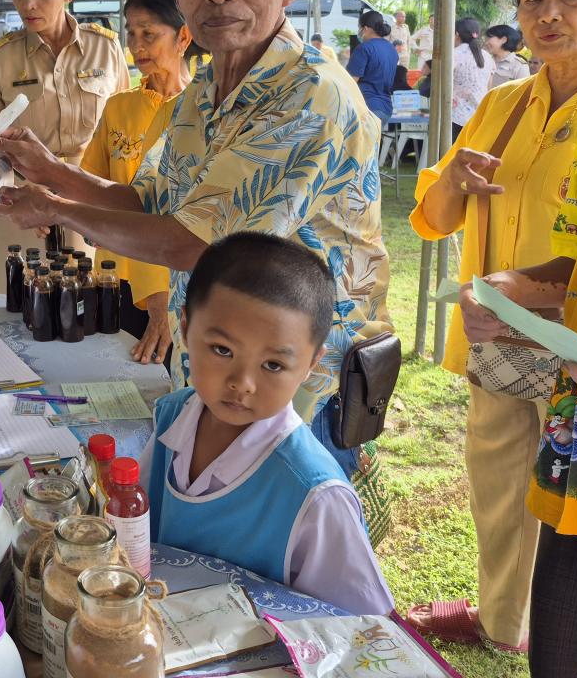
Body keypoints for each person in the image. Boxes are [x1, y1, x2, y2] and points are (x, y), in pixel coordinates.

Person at [0, 0, 390, 474]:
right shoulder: (202, 94)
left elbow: (196, 242)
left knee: (287, 552)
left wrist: (58, 208)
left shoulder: (309, 93)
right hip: (225, 369)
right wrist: (51, 170)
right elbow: (146, 199)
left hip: (301, 387)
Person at [407, 0, 577, 654]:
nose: (550, 15)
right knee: (499, 482)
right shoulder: (504, 103)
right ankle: (502, 621)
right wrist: (451, 179)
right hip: (501, 334)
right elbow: (429, 218)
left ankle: (568, 632)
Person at [137, 232, 395, 615]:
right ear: (186, 328)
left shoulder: (314, 495)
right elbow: (137, 529)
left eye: (273, 364)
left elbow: (361, 625)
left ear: (311, 364)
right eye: (223, 350)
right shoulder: (172, 416)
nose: (243, 383)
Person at [0, 0, 129, 292]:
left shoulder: (106, 49)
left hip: (87, 201)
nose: (28, 4)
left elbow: (123, 137)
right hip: (21, 203)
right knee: (18, 304)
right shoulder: (2, 58)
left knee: (90, 305)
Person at [80, 0, 193, 365]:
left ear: (184, 37)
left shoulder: (201, 112)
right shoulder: (118, 108)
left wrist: (162, 305)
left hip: (177, 283)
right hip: (116, 274)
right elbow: (92, 179)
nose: (136, 44)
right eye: (131, 32)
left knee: (168, 376)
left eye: (149, 33)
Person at [347, 10, 397, 125]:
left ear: (365, 29)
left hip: (367, 107)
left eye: (360, 28)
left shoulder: (364, 48)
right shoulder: (391, 49)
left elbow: (350, 82)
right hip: (386, 109)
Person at [452, 16, 494, 139]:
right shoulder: (487, 57)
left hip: (455, 116)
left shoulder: (453, 54)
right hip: (479, 116)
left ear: (456, 34)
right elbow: (489, 86)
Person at [486, 24, 530, 89]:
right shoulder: (485, 60)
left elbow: (522, 93)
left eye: (490, 38)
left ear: (503, 40)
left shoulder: (519, 66)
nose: (486, 42)